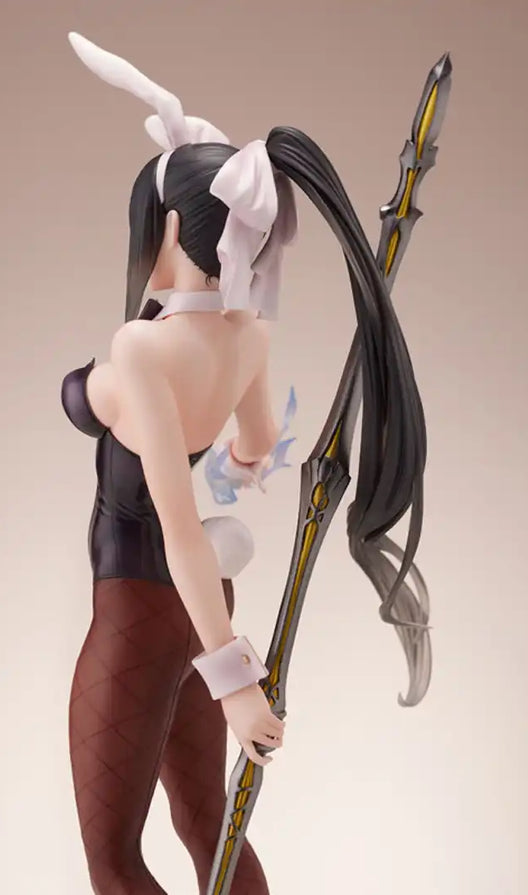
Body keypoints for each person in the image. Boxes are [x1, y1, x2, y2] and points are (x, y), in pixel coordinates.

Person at [61, 31, 428, 895]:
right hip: (202, 607)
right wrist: (229, 461)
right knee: (205, 825)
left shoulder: (141, 351)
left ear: (171, 226)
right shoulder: (247, 335)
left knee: (114, 859)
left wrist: (235, 684)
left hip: (138, 609)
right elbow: (258, 444)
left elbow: (180, 530)